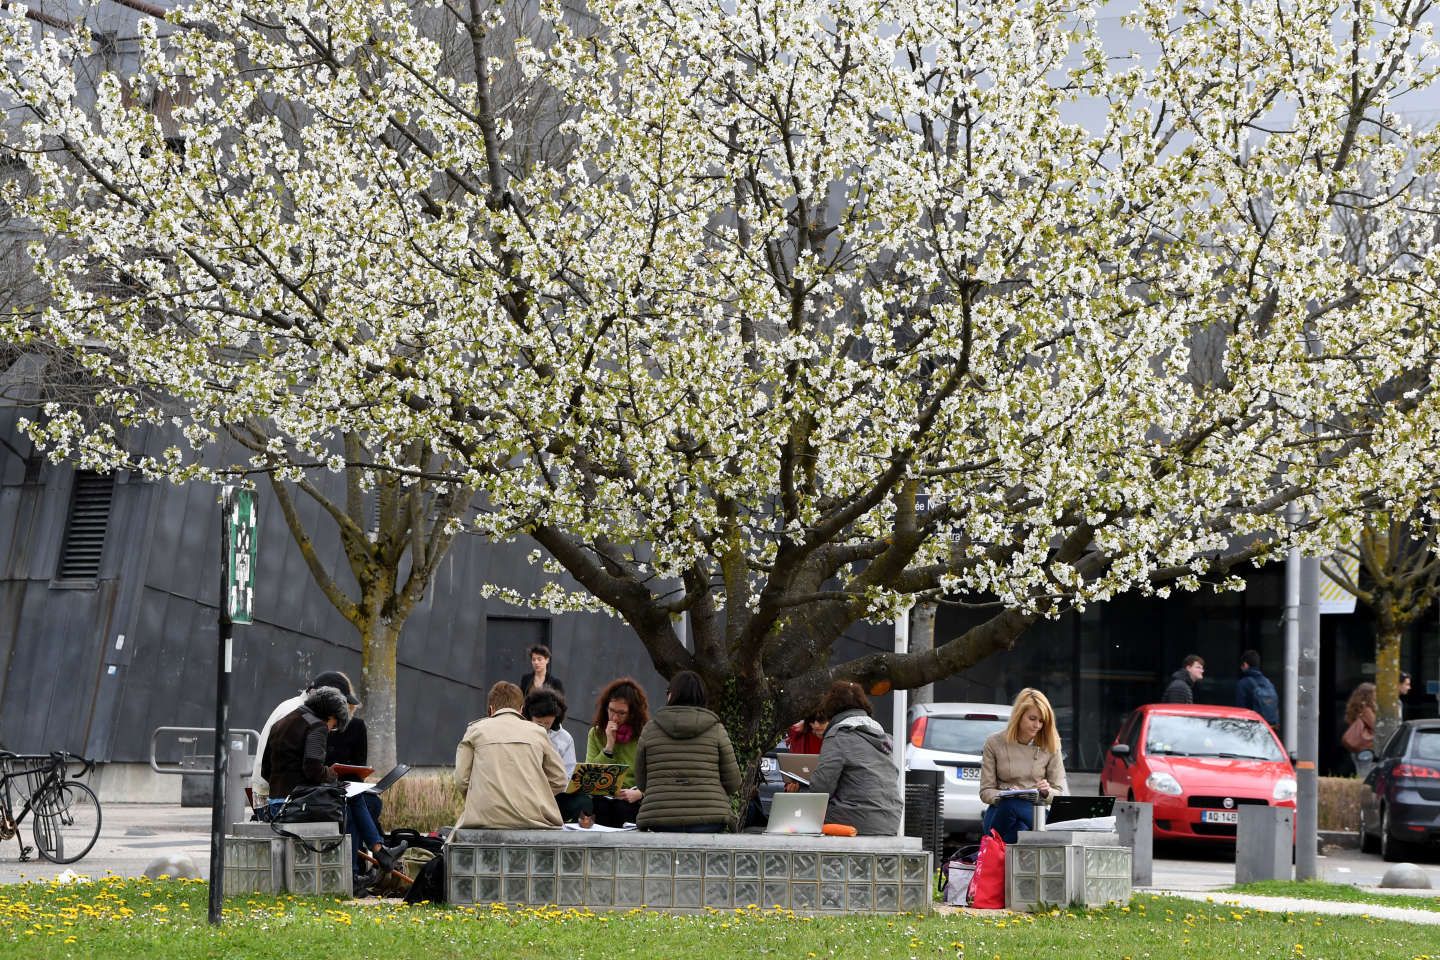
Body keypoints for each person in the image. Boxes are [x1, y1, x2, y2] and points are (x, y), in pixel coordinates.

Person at [260, 685, 406, 879]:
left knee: (349, 796)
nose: (332, 729)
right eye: (334, 724)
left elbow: (265, 771)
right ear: (330, 716)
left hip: (275, 805)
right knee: (351, 797)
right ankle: (370, 859)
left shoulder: (282, 722)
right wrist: (332, 774)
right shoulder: (316, 726)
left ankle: (375, 856)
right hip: (297, 806)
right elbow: (313, 769)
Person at [634, 671, 741, 832]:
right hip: (709, 817)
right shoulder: (716, 729)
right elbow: (733, 782)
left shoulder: (650, 729)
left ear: (671, 695)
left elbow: (642, 783)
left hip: (659, 817)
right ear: (702, 697)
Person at [456, 681, 568, 829]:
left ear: (490, 710)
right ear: (521, 710)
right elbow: (560, 779)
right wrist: (536, 794)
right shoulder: (538, 732)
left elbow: (461, 780)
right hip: (533, 820)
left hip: (484, 818)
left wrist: (481, 797)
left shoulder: (475, 731)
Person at [794, 680, 901, 836]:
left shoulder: (839, 734)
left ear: (832, 708)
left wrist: (800, 790)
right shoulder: (882, 735)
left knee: (796, 814)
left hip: (856, 820)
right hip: (890, 820)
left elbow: (821, 788)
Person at [251, 669, 360, 804]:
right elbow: (312, 769)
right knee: (351, 801)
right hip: (286, 799)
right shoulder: (312, 722)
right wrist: (332, 775)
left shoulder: (292, 708)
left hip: (267, 793)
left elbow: (267, 766)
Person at [979, 688, 1067, 843]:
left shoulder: (1051, 745)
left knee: (1020, 826)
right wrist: (1005, 794)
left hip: (1033, 812)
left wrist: (1046, 792)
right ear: (1019, 716)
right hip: (1000, 812)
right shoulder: (994, 743)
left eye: (1041, 721)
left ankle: (991, 850)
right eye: (1032, 718)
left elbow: (1058, 793)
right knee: (1012, 804)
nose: (1037, 725)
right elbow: (986, 791)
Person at [584, 677, 650, 827]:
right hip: (603, 798)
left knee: (622, 810)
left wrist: (640, 793)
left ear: (633, 714)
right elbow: (591, 775)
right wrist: (609, 746)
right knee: (596, 807)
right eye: (611, 710)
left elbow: (656, 774)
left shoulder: (644, 736)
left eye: (621, 713)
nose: (614, 718)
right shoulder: (596, 733)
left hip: (633, 798)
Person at [524, 687, 591, 824]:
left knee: (583, 801)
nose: (542, 727)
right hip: (525, 792)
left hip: (554, 794)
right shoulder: (520, 732)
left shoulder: (564, 738)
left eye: (547, 723)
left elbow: (569, 775)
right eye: (538, 723)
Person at [1235, 650, 1280, 727]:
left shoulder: (1243, 683)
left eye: (1241, 666)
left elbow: (1240, 710)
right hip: (1269, 728)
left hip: (1252, 727)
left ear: (1245, 665)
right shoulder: (1268, 682)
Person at [1343, 682, 1377, 778]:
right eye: (1374, 693)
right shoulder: (1366, 710)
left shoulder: (1355, 708)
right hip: (1366, 749)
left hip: (1357, 748)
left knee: (1361, 774)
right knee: (1366, 777)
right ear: (1369, 695)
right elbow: (1375, 726)